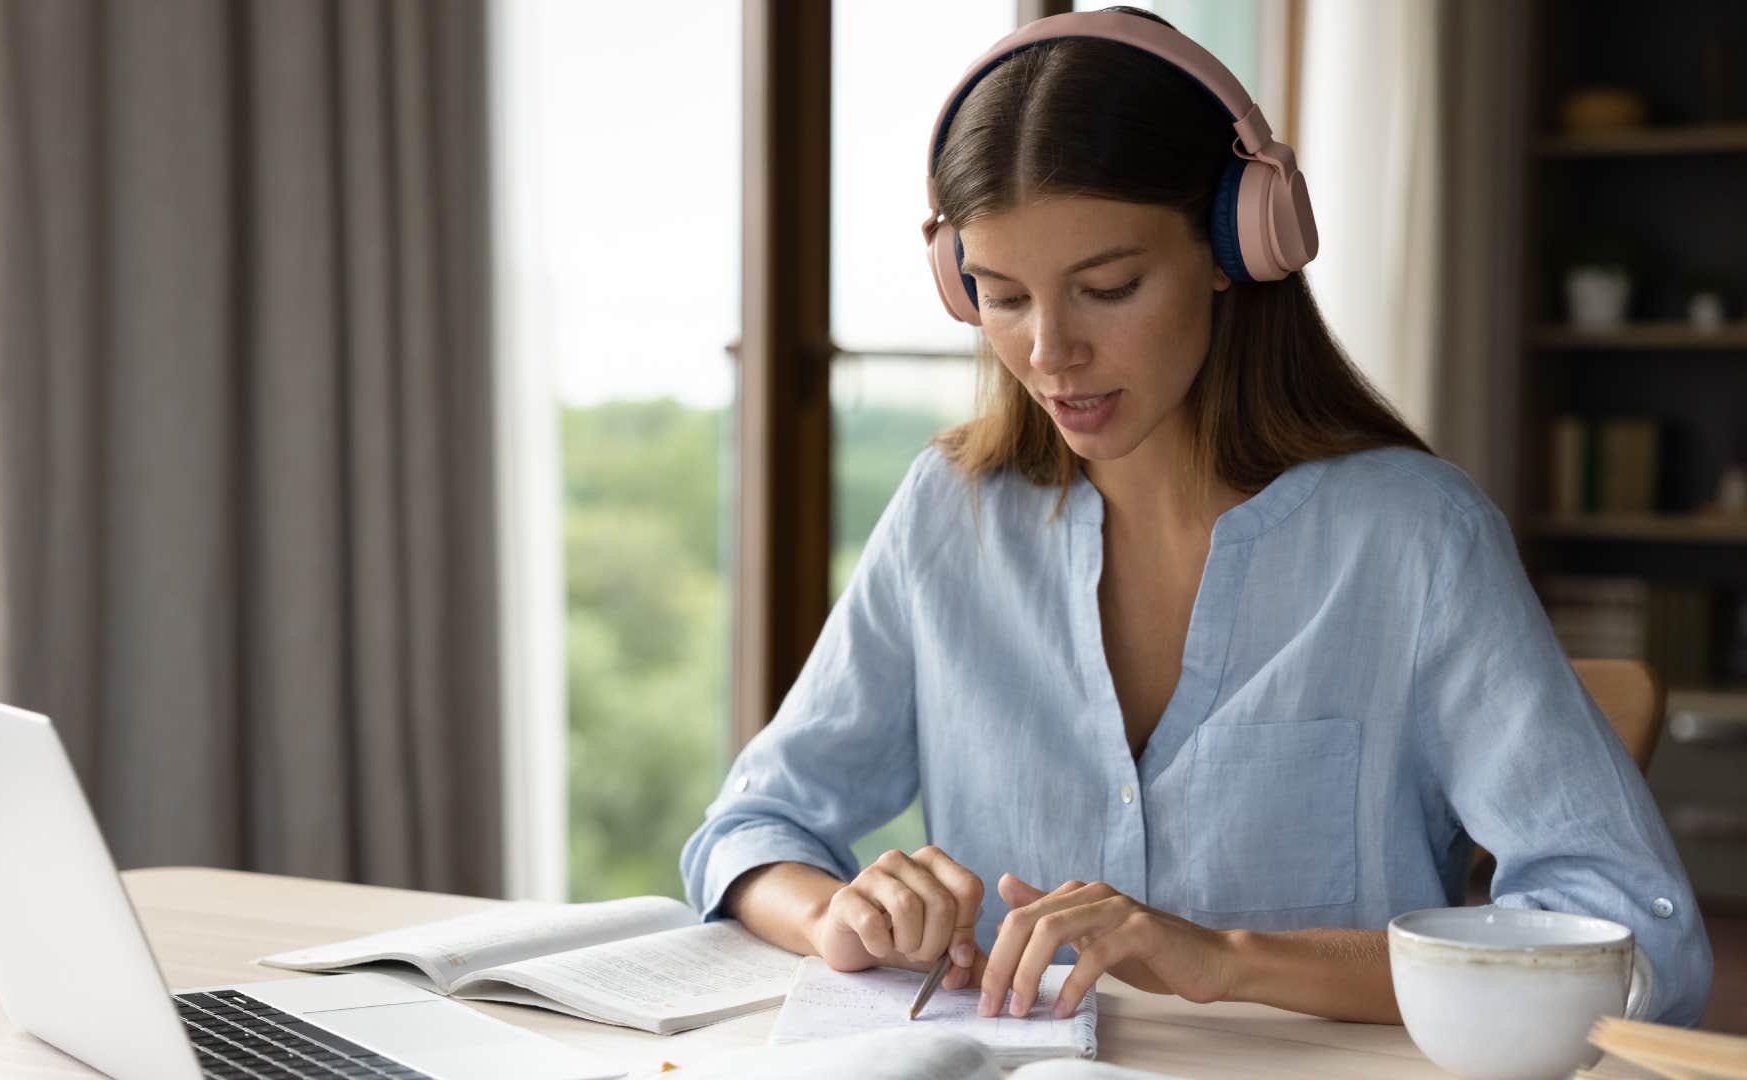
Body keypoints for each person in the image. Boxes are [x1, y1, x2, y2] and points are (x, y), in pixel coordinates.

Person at [679, 8, 1712, 1026]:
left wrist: (1228, 959)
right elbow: (752, 829)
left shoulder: (1416, 540)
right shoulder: (947, 517)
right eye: (1000, 295)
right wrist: (841, 916)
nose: (1049, 352)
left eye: (1108, 286)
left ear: (1237, 245)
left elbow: (1635, 938)